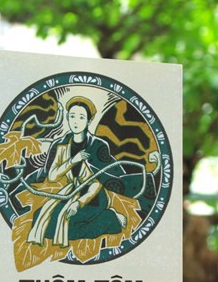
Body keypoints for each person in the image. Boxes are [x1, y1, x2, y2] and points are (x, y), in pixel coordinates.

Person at [24, 96, 136, 248]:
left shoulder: (97, 145)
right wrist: (72, 161)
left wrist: (78, 203)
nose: (76, 121)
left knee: (68, 223)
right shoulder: (61, 144)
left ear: (89, 121)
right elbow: (52, 176)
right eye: (72, 116)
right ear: (67, 118)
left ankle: (112, 218)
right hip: (69, 192)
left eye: (81, 117)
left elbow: (99, 181)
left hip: (93, 196)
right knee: (41, 217)